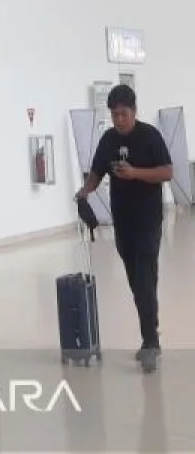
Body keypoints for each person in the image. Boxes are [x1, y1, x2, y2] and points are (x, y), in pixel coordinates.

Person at [75, 84, 172, 373]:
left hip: (148, 221)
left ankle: (150, 342)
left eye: (124, 114)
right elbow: (96, 172)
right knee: (137, 281)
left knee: (144, 279)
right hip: (124, 222)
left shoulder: (150, 136)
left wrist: (135, 173)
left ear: (134, 110)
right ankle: (151, 334)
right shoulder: (107, 140)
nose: (119, 119)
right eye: (115, 114)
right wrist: (85, 191)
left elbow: (167, 171)